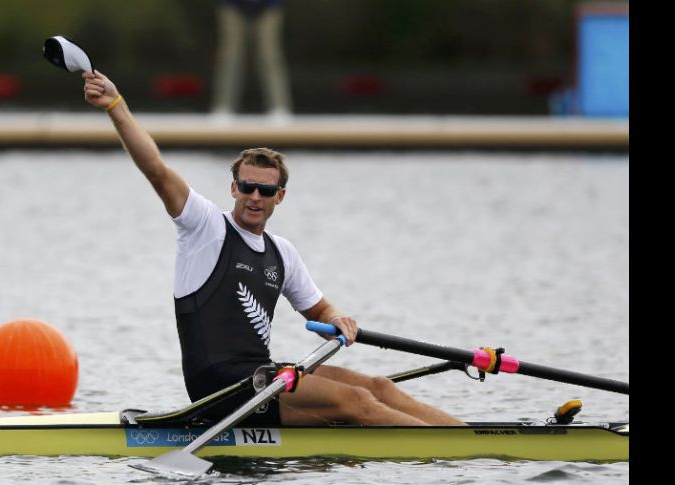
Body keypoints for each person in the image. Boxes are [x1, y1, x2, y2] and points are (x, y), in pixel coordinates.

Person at [82, 70, 464, 427]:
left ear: (279, 196)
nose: (253, 196)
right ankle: (455, 454)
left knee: (378, 387)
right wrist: (116, 106)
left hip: (263, 378)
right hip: (220, 389)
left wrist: (339, 318)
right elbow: (156, 169)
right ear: (233, 187)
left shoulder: (281, 253)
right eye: (246, 186)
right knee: (356, 402)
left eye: (265, 190)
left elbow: (319, 308)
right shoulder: (205, 227)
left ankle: (468, 438)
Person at [211, 0, 292, 121]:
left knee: (270, 56)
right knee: (230, 56)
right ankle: (223, 108)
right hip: (232, 6)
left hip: (269, 6)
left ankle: (280, 109)